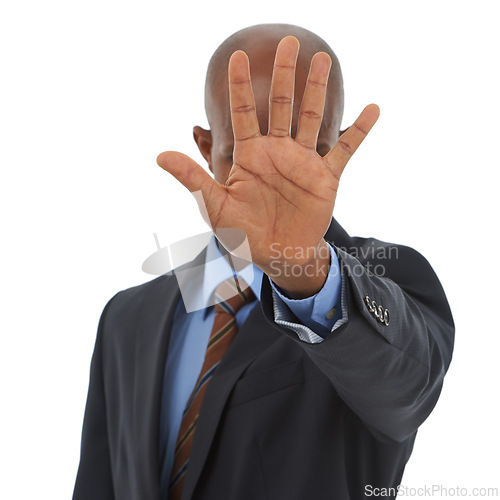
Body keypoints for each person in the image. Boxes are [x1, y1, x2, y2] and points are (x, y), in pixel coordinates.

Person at [73, 23, 454, 500]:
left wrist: (300, 268)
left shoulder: (385, 276)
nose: (281, 176)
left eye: (310, 151)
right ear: (207, 147)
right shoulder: (126, 319)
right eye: (245, 155)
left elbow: (404, 393)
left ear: (337, 146)